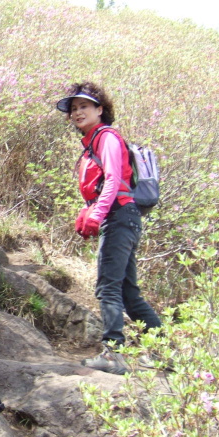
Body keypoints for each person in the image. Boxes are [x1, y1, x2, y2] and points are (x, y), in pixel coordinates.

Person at [56, 81, 162, 374]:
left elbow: (114, 180)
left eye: (84, 107)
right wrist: (89, 210)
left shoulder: (107, 138)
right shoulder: (92, 142)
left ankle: (114, 354)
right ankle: (162, 351)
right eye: (74, 109)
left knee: (107, 288)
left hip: (119, 217)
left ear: (100, 110)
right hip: (120, 218)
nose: (77, 113)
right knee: (128, 292)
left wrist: (97, 213)